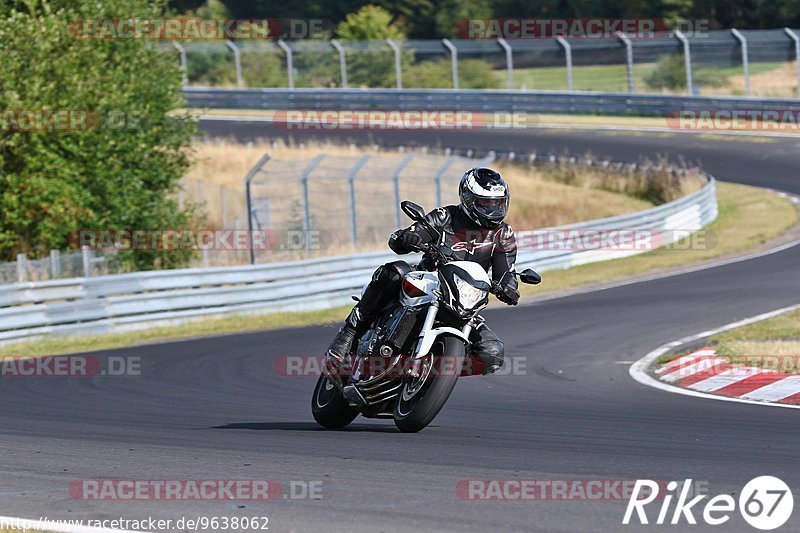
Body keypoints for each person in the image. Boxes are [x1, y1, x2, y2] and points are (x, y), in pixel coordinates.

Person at [324, 167, 520, 376]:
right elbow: (403, 239)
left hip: (464, 300)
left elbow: (506, 272)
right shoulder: (445, 217)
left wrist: (509, 287)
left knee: (492, 352)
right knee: (395, 271)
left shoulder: (503, 235)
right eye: (485, 203)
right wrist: (408, 238)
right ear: (469, 199)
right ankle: (350, 332)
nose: (493, 209)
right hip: (429, 283)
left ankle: (434, 375)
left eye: (497, 203)